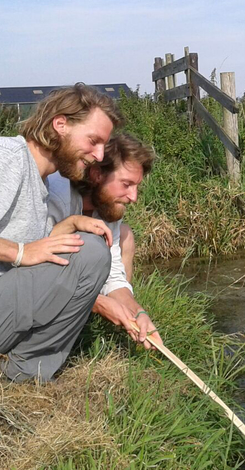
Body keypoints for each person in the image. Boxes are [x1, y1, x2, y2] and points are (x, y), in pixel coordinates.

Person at [0, 83, 123, 382]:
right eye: (93, 140)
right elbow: (23, 255)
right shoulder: (7, 157)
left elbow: (27, 255)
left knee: (82, 245)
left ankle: (23, 372)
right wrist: (20, 252)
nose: (99, 154)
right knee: (90, 252)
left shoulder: (43, 183)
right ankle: (28, 373)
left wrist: (66, 226)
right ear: (60, 124)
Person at [47, 133, 163, 349]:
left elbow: (113, 276)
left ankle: (117, 319)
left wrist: (138, 313)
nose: (134, 197)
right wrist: (97, 303)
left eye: (136, 186)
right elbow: (38, 276)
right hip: (30, 297)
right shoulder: (55, 197)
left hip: (69, 286)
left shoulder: (106, 209)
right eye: (126, 184)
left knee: (124, 235)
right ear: (97, 174)